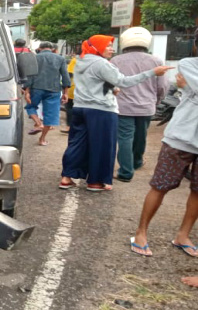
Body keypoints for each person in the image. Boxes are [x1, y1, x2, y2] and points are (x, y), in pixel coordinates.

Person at [59, 35, 172, 192]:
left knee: (77, 143)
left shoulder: (81, 61)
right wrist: (152, 72)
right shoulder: (102, 63)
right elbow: (124, 81)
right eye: (108, 46)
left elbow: (93, 82)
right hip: (102, 110)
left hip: (80, 108)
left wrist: (112, 88)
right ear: (97, 47)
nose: (112, 49)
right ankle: (96, 182)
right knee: (102, 146)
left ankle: (66, 177)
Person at [130, 58, 198, 257]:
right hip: (180, 138)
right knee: (160, 185)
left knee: (197, 191)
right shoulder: (188, 63)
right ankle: (141, 232)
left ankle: (183, 236)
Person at [110, 27, 167, 183]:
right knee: (141, 136)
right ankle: (136, 162)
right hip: (147, 106)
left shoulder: (116, 61)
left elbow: (111, 83)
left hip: (123, 106)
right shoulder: (156, 60)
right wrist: (158, 100)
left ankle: (126, 172)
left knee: (125, 137)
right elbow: (162, 86)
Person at [22, 42, 70, 145]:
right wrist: (66, 92)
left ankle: (38, 123)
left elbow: (30, 76)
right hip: (54, 89)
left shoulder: (35, 58)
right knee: (50, 116)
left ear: (40, 48)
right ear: (52, 49)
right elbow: (65, 76)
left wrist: (27, 91)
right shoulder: (60, 59)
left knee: (30, 107)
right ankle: (42, 139)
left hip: (37, 88)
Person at [61, 55, 77, 134]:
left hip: (74, 87)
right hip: (86, 90)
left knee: (70, 107)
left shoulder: (75, 60)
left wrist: (65, 87)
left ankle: (69, 127)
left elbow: (69, 74)